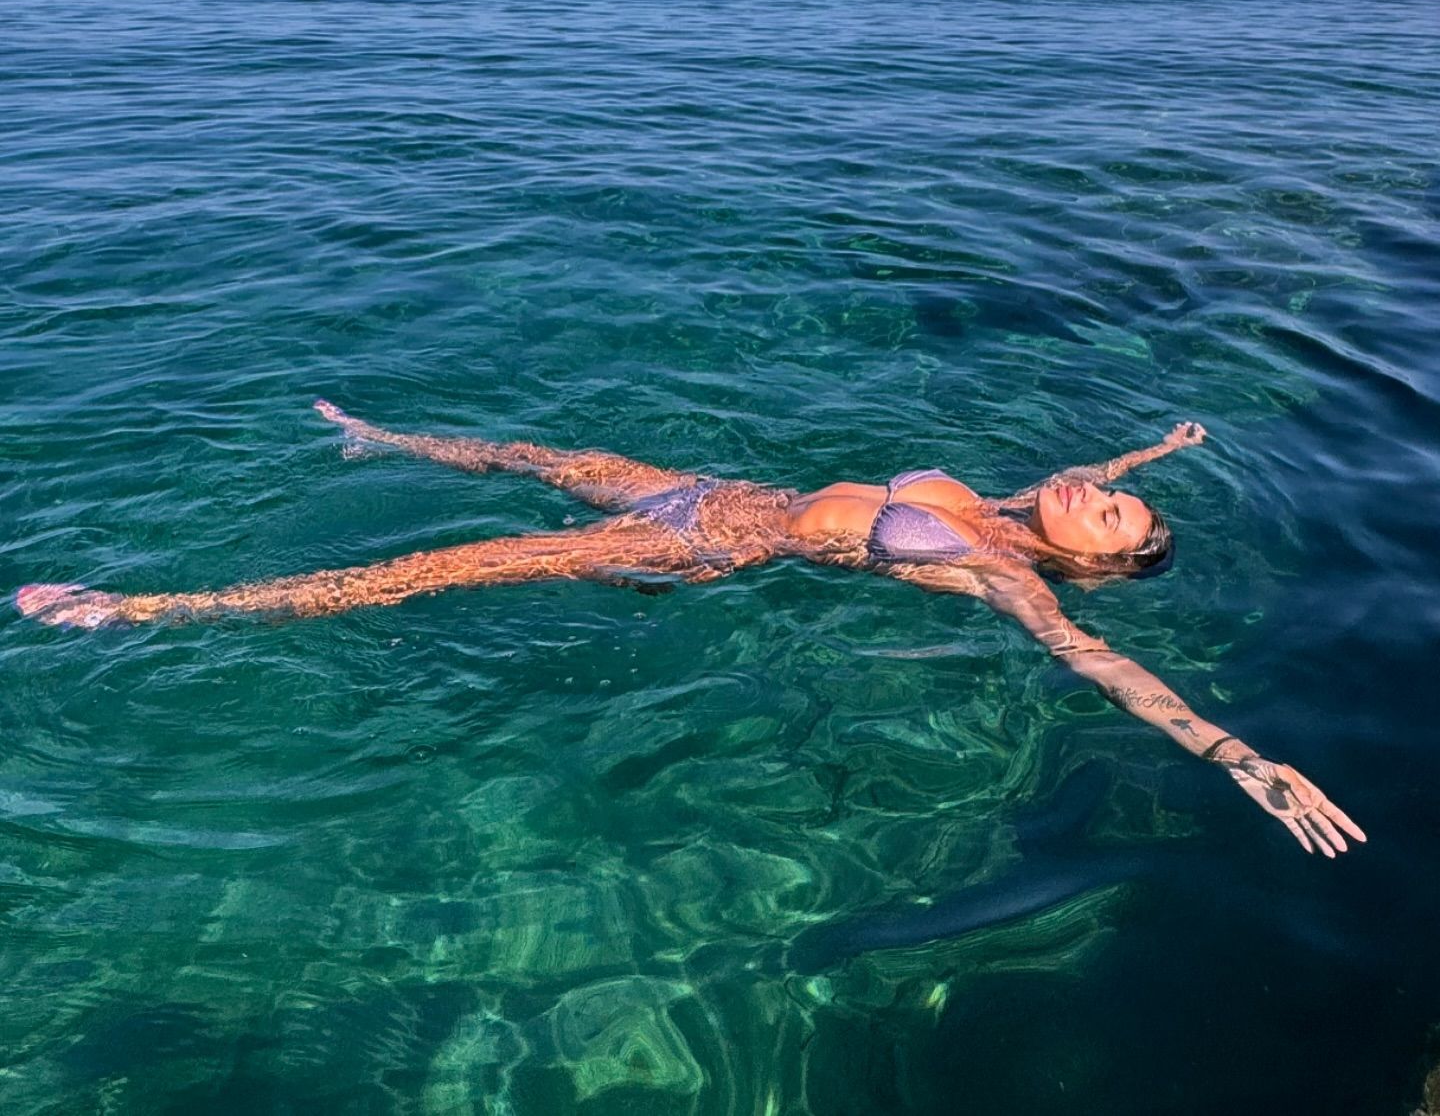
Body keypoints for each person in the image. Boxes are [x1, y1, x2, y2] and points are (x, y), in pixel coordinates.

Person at [15, 403, 1364, 857]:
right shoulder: (1019, 509)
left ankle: (143, 606)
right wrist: (1160, 448)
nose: (1101, 490)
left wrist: (1236, 754)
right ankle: (382, 432)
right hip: (703, 483)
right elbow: (1084, 488)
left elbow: (1099, 658)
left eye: (1117, 512)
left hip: (705, 543)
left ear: (1088, 566)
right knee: (543, 454)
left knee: (459, 563)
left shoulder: (1012, 579)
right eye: (1119, 489)